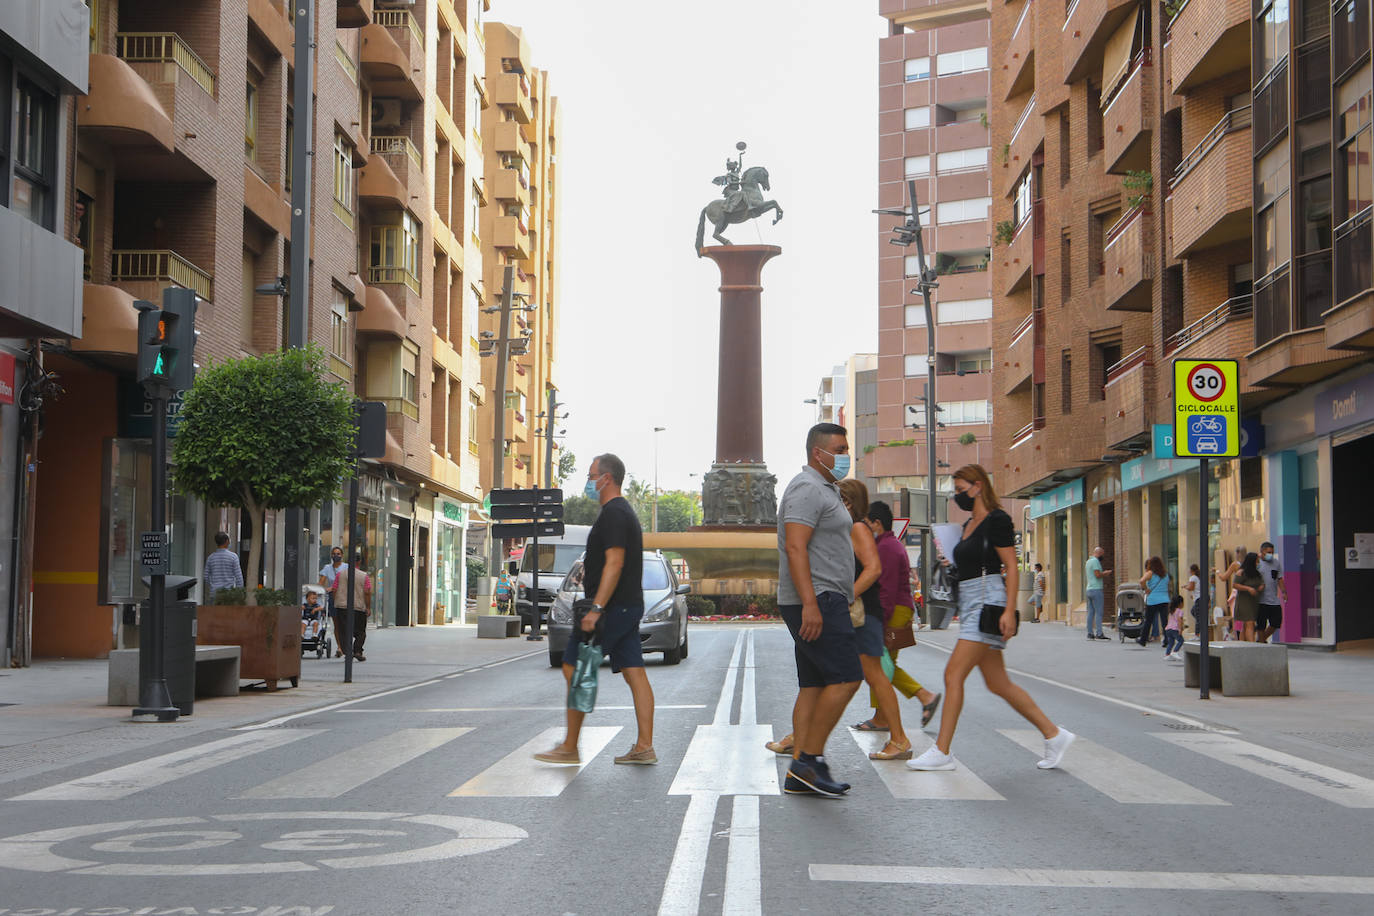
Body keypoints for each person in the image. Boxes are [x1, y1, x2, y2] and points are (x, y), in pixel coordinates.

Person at [909, 464, 1074, 772]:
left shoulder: (997, 520)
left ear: (978, 486)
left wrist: (1010, 611)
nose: (958, 496)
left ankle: (942, 751)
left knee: (952, 675)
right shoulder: (971, 522)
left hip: (988, 601)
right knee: (999, 683)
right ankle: (1054, 734)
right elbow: (972, 564)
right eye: (955, 491)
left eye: (961, 490)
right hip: (972, 600)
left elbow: (1010, 566)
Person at [535, 453, 656, 766]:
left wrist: (597, 608)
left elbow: (615, 562)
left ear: (607, 478)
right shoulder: (620, 512)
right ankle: (644, 746)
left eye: (591, 476)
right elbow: (611, 561)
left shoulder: (615, 513)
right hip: (627, 606)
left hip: (612, 608)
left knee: (573, 665)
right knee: (634, 672)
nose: (588, 482)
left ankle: (570, 747)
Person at [774, 423, 863, 797]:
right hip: (819, 600)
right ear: (818, 453)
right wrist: (810, 603)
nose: (845, 456)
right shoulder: (807, 488)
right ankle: (809, 761)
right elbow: (796, 547)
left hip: (825, 598)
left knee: (814, 684)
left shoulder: (825, 489)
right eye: (840, 449)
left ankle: (800, 772)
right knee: (846, 677)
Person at [831, 480, 912, 760]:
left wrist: (847, 597)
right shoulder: (849, 528)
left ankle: (899, 739)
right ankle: (802, 736)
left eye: (836, 497)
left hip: (864, 613)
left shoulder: (856, 528)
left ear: (848, 502)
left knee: (874, 676)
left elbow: (873, 570)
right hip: (863, 612)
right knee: (848, 676)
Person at [862, 498, 941, 732]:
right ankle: (881, 717)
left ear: (876, 523)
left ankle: (924, 696)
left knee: (879, 663)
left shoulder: (885, 548)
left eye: (867, 523)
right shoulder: (891, 544)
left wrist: (879, 621)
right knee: (883, 663)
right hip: (898, 608)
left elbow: (885, 588)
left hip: (893, 609)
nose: (864, 528)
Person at [335, 553, 372, 661]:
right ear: (359, 561)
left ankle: (347, 652)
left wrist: (337, 601)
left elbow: (334, 589)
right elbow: (367, 592)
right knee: (360, 631)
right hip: (358, 607)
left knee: (343, 630)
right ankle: (357, 651)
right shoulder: (364, 576)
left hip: (342, 607)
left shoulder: (340, 574)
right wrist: (368, 607)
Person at [1255, 541, 1287, 644]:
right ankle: (1261, 641)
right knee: (1261, 624)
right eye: (1268, 552)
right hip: (1261, 599)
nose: (1270, 555)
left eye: (1272, 552)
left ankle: (1261, 640)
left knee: (1276, 622)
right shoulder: (1257, 563)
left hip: (1273, 599)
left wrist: (1284, 591)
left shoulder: (1276, 563)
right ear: (1262, 552)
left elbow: (1279, 578)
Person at [1137, 556, 1171, 648]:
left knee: (1148, 621)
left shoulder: (1150, 573)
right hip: (1164, 599)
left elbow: (1141, 581)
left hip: (1153, 600)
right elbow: (1167, 586)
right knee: (1165, 622)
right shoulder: (1165, 574)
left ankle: (1143, 640)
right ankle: (1167, 640)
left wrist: (1146, 589)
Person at [319, 547, 346, 657]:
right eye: (334, 554)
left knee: (345, 624)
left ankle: (345, 646)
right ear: (331, 555)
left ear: (342, 555)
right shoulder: (327, 568)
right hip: (333, 598)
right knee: (337, 624)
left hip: (344, 597)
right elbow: (321, 583)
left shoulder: (346, 567)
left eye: (338, 553)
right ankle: (339, 647)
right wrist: (326, 589)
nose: (336, 555)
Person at [1231, 552, 1264, 642]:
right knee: (1250, 623)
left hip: (1253, 602)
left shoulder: (1257, 573)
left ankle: (1243, 643)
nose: (1258, 563)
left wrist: (1261, 587)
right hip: (1244, 602)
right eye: (1257, 561)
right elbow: (1235, 585)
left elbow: (1261, 582)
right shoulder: (1241, 572)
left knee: (1246, 625)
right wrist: (1248, 588)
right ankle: (1252, 644)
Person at [202, 532, 243, 602]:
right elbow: (239, 577)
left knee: (215, 613)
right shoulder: (233, 557)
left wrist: (212, 585)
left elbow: (206, 576)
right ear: (227, 541)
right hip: (229, 594)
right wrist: (238, 593)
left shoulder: (211, 557)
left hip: (214, 593)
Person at [1084, 547, 1111, 640]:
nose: (1103, 556)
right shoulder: (1095, 561)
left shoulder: (1088, 561)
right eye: (1102, 554)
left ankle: (1090, 632)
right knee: (1099, 612)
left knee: (1090, 612)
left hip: (1089, 589)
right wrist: (1105, 573)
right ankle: (1099, 633)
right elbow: (1097, 574)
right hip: (1096, 589)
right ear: (1099, 553)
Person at [1162, 595, 1186, 660]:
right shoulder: (1180, 611)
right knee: (1181, 641)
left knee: (1171, 643)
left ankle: (1167, 654)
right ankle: (1175, 652)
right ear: (1180, 603)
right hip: (1175, 629)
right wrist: (1180, 629)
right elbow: (1179, 620)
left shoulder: (1171, 611)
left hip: (1168, 629)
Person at [1183, 563, 1202, 638]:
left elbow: (1191, 587)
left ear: (1191, 570)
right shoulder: (1198, 577)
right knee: (1193, 612)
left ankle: (1197, 635)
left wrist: (1185, 587)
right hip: (1198, 598)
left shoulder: (1193, 577)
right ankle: (1200, 625)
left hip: (1198, 599)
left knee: (1197, 616)